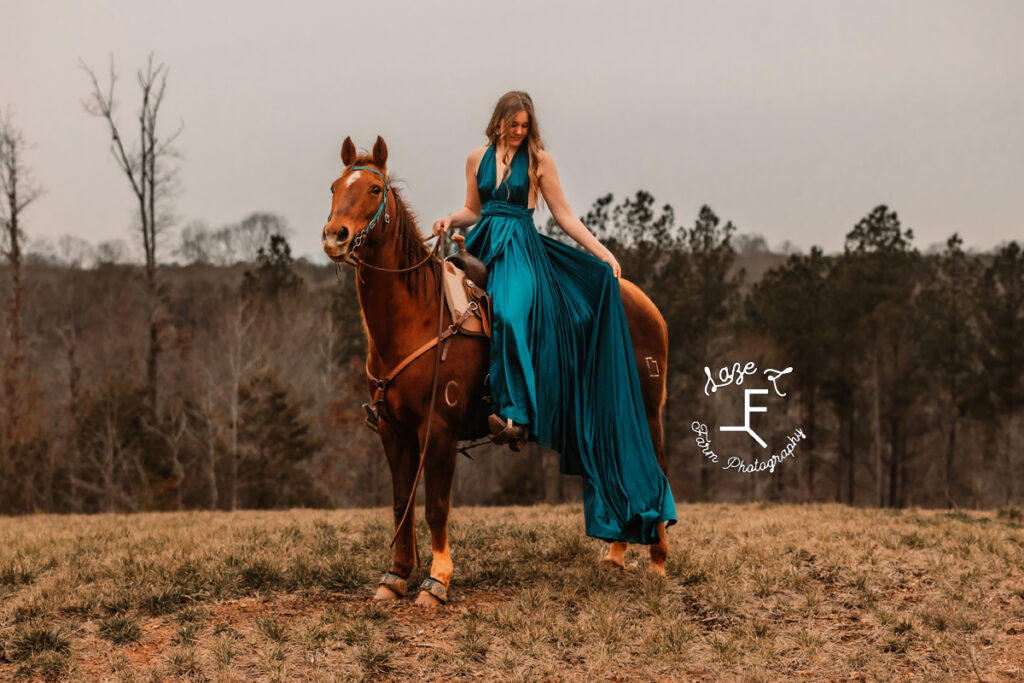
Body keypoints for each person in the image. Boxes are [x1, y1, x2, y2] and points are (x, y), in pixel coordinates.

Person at [431, 91, 676, 545]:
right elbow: (474, 209)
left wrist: (602, 252)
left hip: (522, 250)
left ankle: (517, 414)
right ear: (499, 121)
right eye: (514, 124)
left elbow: (563, 215)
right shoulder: (476, 158)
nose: (520, 131)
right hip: (484, 240)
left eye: (527, 125)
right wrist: (450, 219)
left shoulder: (540, 162)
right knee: (452, 308)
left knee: (508, 310)